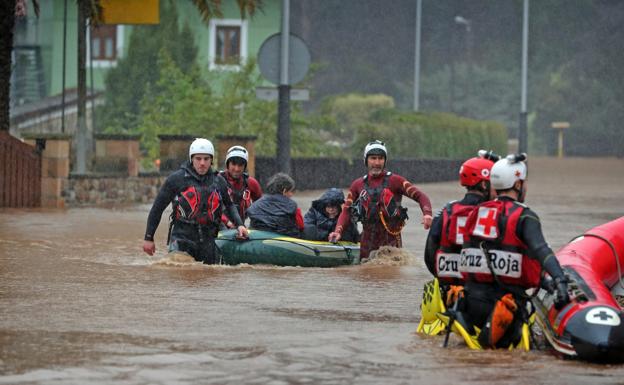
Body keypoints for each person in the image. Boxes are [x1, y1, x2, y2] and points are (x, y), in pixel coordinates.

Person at [457, 153, 570, 348]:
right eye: (523, 183)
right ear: (517, 185)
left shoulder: (477, 211)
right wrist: (559, 281)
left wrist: (544, 282)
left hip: (471, 307)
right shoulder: (525, 216)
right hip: (505, 310)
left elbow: (493, 257)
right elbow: (541, 251)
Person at [142, 138, 248, 264]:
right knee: (179, 273)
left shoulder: (219, 181)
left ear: (211, 160)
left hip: (209, 239)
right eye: (198, 159)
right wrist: (149, 238)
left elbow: (229, 205)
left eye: (206, 159)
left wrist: (240, 224)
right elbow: (157, 209)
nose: (202, 163)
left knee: (210, 277)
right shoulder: (176, 179)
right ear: (191, 158)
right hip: (182, 238)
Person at [328, 140, 433, 259]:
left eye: (380, 158)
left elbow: (421, 196)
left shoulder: (396, 181)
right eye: (373, 158)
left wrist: (427, 214)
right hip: (367, 246)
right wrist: (338, 231)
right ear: (366, 160)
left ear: (385, 161)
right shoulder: (357, 185)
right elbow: (346, 211)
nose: (377, 162)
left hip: (392, 247)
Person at [424, 150, 499, 285]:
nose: (497, 189)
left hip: (447, 289)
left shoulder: (447, 210)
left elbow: (429, 254)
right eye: (494, 183)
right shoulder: (496, 213)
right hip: (481, 291)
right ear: (483, 184)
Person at [247, 172, 304, 237]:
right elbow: (301, 226)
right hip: (284, 241)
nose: (291, 194)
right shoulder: (292, 206)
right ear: (284, 191)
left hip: (258, 239)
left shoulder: (256, 205)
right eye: (290, 191)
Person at [219, 145, 263, 228]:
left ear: (245, 166)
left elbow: (260, 208)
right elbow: (208, 209)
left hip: (240, 228)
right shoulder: (217, 180)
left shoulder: (251, 183)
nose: (236, 169)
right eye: (234, 164)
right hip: (218, 227)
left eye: (240, 165)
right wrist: (227, 222)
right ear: (227, 164)